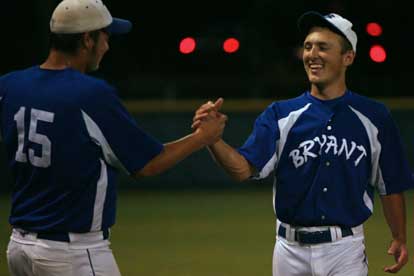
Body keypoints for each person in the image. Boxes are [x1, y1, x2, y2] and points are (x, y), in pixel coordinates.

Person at [0, 0, 227, 275]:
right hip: (71, 252)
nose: (107, 46)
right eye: (105, 36)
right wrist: (203, 136)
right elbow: (148, 164)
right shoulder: (90, 94)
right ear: (87, 40)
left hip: (18, 249)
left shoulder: (10, 85)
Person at [192, 11, 412, 275]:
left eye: (323, 47)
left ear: (348, 57)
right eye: (308, 47)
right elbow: (242, 169)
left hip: (345, 250)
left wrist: (399, 236)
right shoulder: (280, 115)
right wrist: (213, 140)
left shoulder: (374, 117)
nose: (312, 54)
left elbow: (390, 184)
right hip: (289, 251)